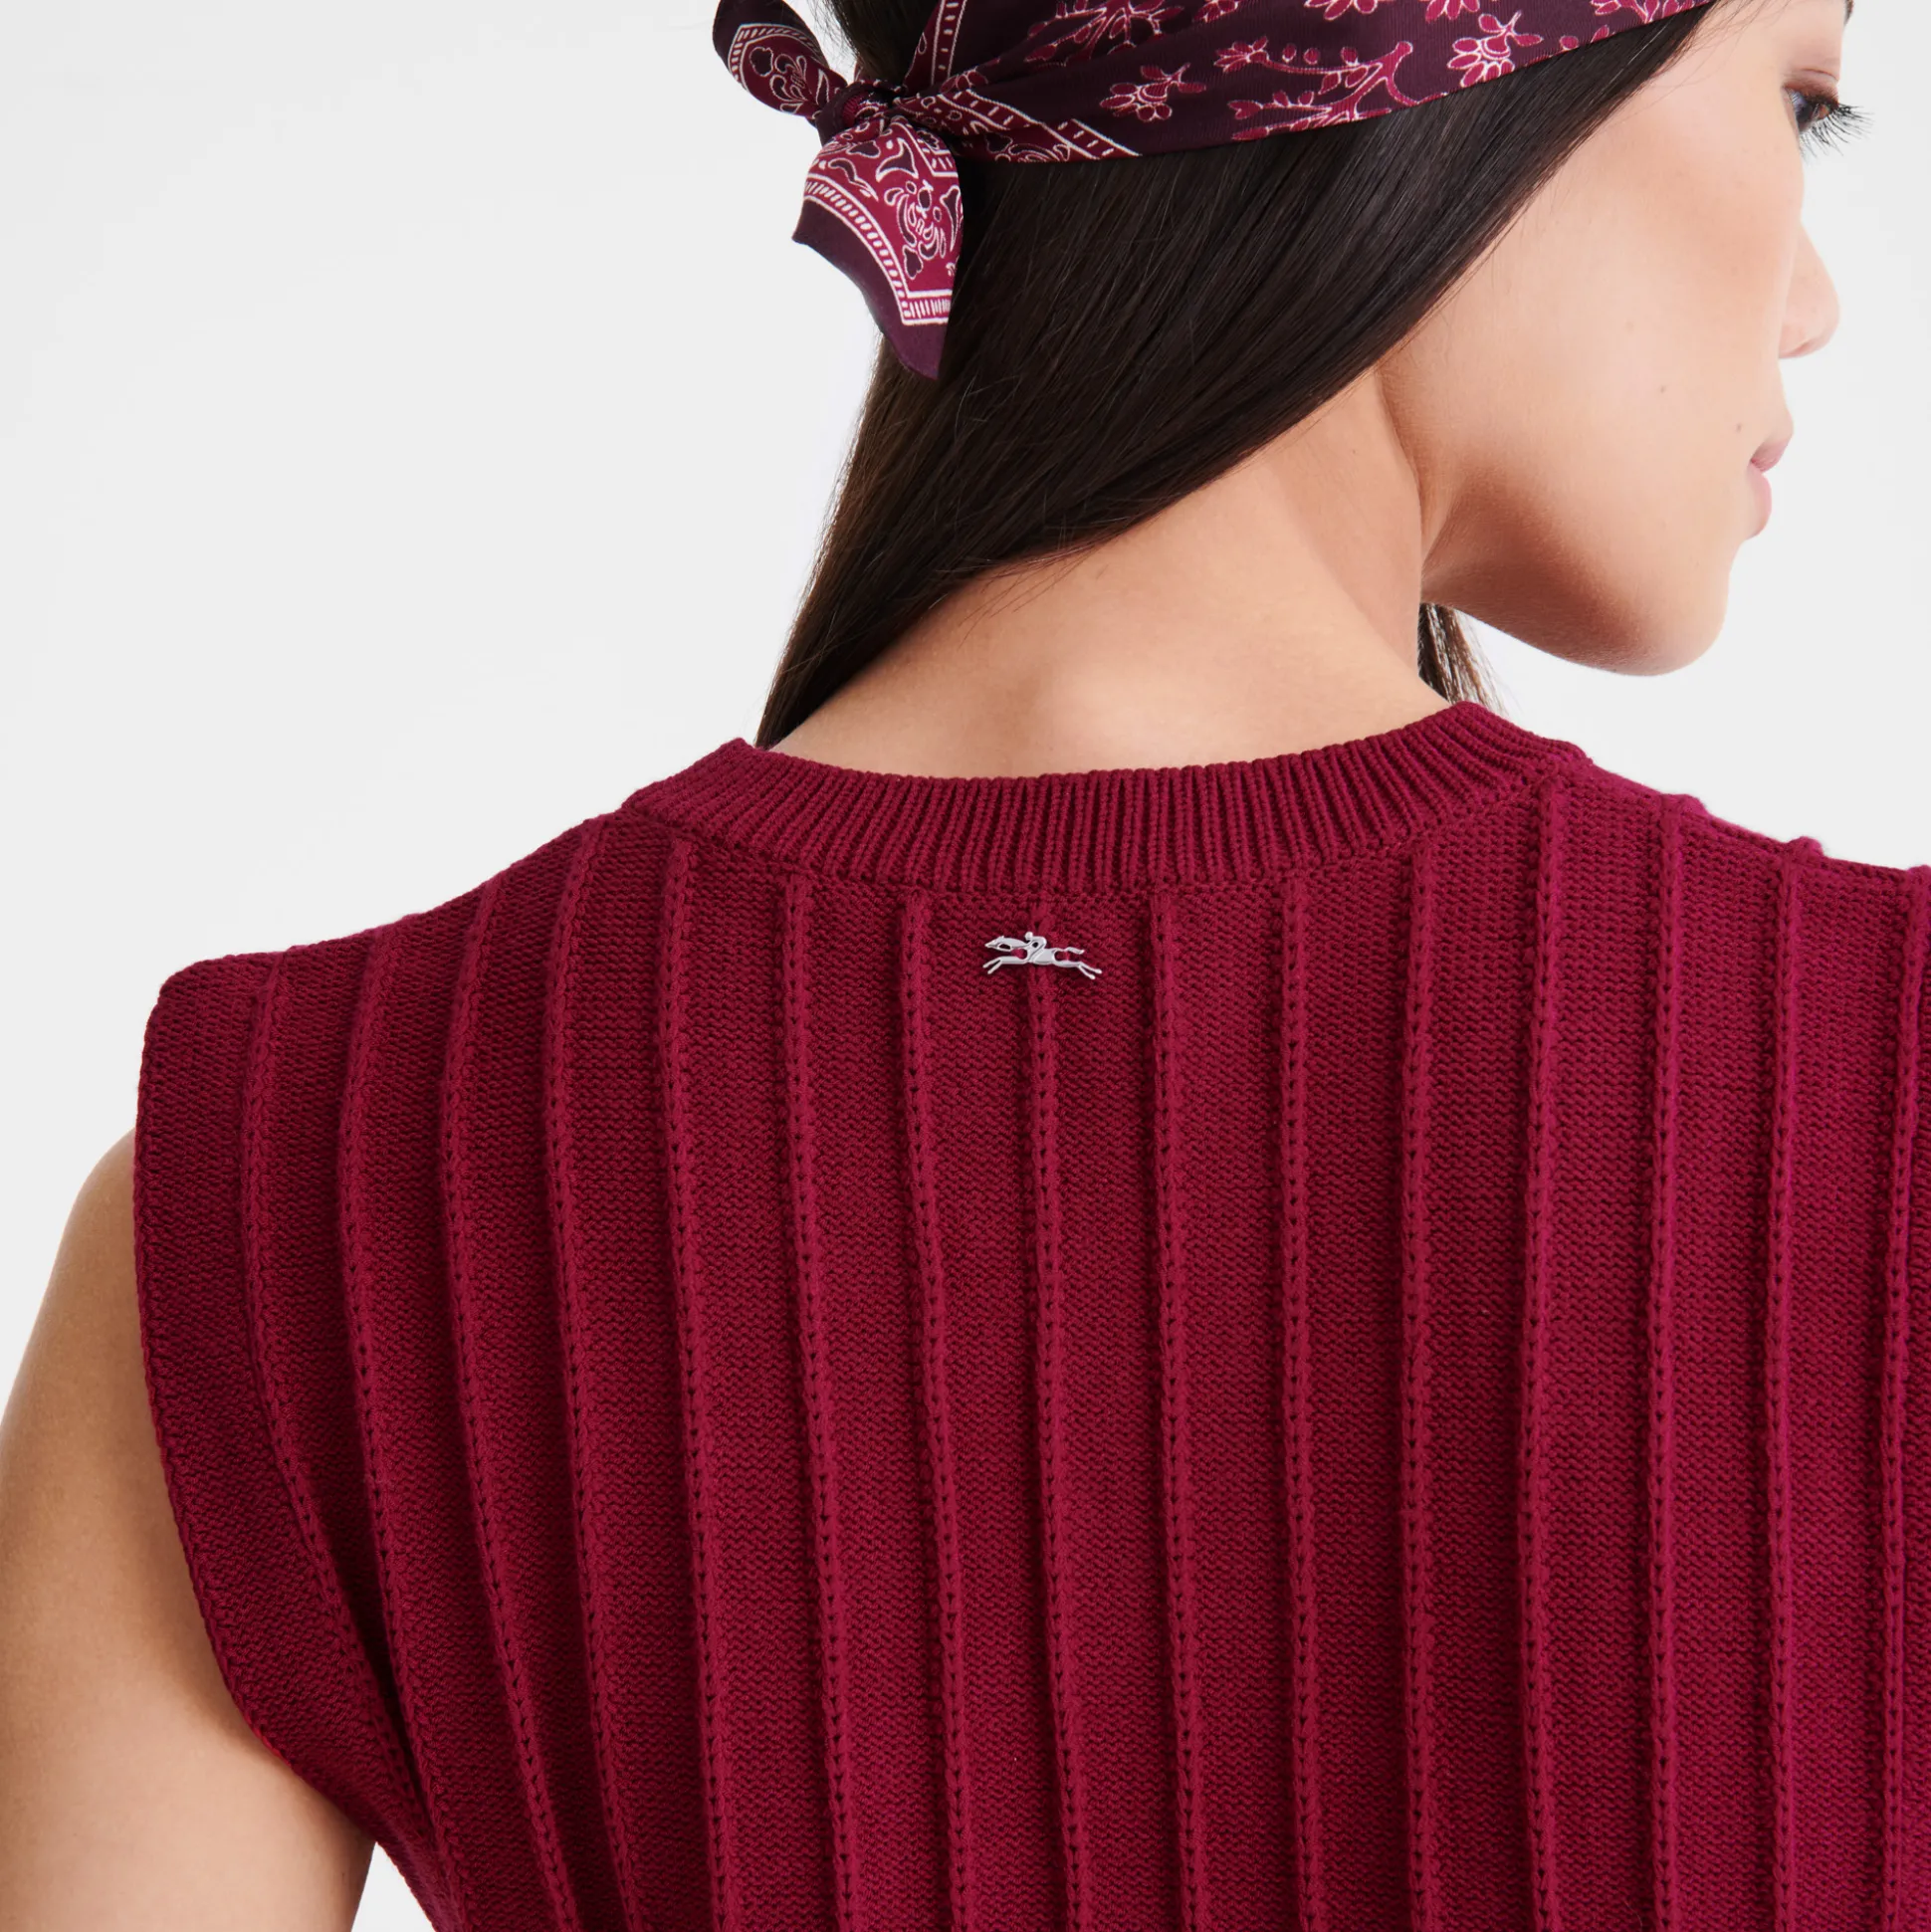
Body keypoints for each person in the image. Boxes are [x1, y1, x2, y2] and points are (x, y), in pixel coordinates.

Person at [0, 0, 1900, 1926]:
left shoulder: (264, 1192)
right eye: (1801, 104)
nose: (1817, 303)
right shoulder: (1884, 1080)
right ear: (1454, 55)